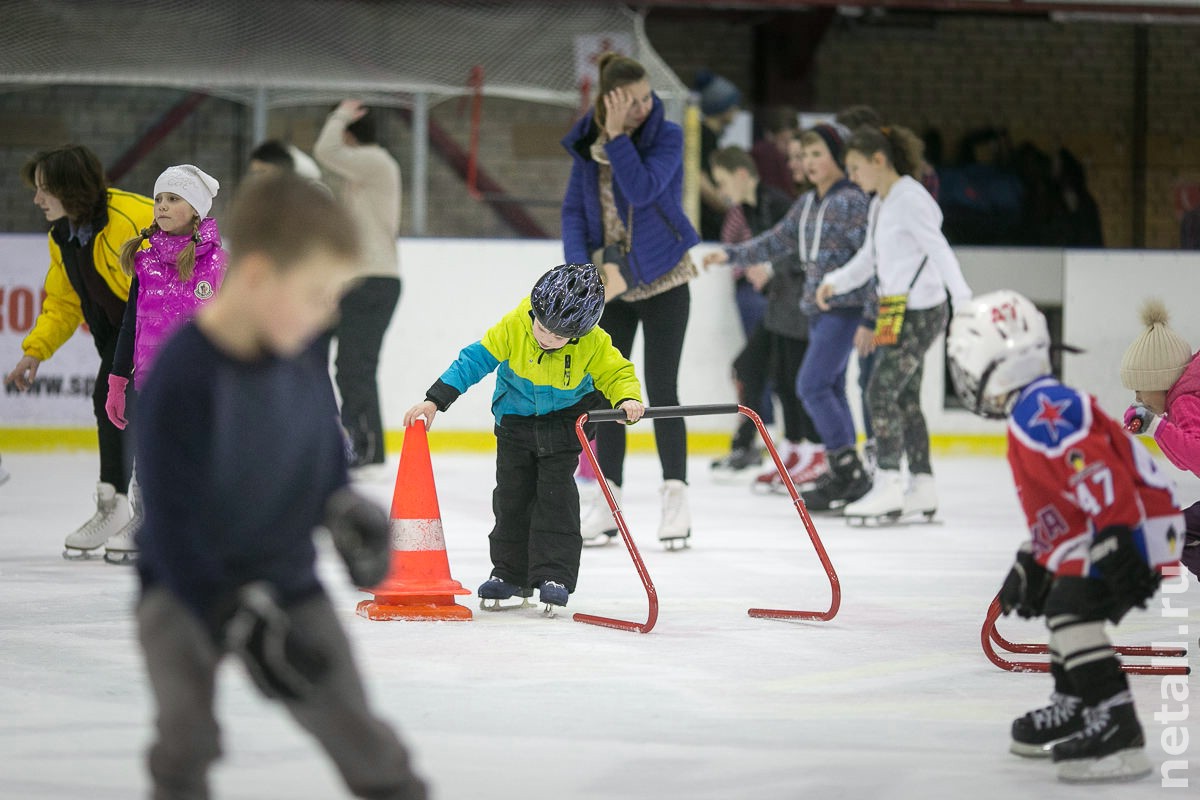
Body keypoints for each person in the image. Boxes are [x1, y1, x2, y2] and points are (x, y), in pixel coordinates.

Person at [134, 171, 427, 800]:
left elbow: (321, 463)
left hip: (286, 578)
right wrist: (233, 618)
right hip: (186, 589)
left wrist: (343, 508)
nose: (331, 312)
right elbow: (171, 525)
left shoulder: (298, 364)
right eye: (320, 293)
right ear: (260, 276)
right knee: (185, 740)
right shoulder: (182, 378)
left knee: (356, 726)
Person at [947, 290, 1183, 783]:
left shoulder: (1041, 408)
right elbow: (1067, 503)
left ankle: (1119, 729)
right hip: (1123, 522)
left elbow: (1099, 474)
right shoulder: (1038, 403)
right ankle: (1076, 702)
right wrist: (1034, 559)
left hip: (1132, 525)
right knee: (1061, 596)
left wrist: (1117, 539)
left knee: (1069, 608)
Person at [403, 263, 643, 609]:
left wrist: (628, 398)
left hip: (565, 424)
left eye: (559, 337)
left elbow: (617, 372)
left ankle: (554, 574)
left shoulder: (594, 343)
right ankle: (509, 574)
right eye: (543, 328)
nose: (547, 338)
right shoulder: (515, 326)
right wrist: (435, 400)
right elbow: (474, 361)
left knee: (555, 500)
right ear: (534, 310)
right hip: (515, 421)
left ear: (581, 332)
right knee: (511, 499)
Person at [561, 53, 701, 547]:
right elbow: (575, 213)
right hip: (612, 282)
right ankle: (607, 500)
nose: (645, 106)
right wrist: (584, 271)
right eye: (632, 100)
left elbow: (642, 190)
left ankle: (675, 498)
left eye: (646, 97)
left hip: (663, 277)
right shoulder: (586, 141)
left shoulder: (666, 136)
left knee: (662, 389)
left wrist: (620, 137)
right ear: (609, 99)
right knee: (608, 393)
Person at [816, 125, 972, 520]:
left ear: (878, 160)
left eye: (855, 167)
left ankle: (887, 482)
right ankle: (922, 485)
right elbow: (871, 257)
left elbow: (940, 250)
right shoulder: (881, 202)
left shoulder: (910, 200)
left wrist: (964, 301)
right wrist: (835, 282)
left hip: (921, 312)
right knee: (902, 398)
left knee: (879, 392)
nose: (851, 176)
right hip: (893, 310)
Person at [706, 124, 871, 499]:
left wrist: (870, 316)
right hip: (816, 309)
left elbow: (871, 258)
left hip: (844, 308)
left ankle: (845, 466)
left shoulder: (851, 201)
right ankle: (844, 469)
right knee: (825, 387)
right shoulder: (809, 203)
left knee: (810, 385)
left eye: (818, 155)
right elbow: (777, 241)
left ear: (839, 157)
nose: (810, 163)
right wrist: (731, 254)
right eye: (806, 155)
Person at [5, 145, 154, 556]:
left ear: (69, 188)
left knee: (125, 401)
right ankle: (118, 505)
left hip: (158, 330)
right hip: (120, 335)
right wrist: (35, 352)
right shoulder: (64, 235)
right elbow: (64, 303)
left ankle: (147, 513)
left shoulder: (131, 219)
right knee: (113, 402)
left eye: (44, 190)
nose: (37, 200)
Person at [100, 165, 227, 564]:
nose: (162, 206)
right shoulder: (145, 262)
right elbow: (130, 324)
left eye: (173, 199)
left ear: (196, 209)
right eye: (159, 199)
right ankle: (145, 520)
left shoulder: (219, 264)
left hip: (203, 382)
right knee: (150, 456)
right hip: (151, 380)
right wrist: (117, 381)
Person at [314, 99, 402, 470]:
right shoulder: (365, 176)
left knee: (354, 366)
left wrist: (341, 114)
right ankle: (362, 446)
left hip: (373, 281)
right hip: (363, 282)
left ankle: (364, 448)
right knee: (346, 364)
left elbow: (324, 150)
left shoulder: (375, 161)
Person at [706, 146, 798, 482]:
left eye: (722, 181)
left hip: (793, 308)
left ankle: (797, 450)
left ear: (742, 174)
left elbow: (795, 248)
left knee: (783, 377)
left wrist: (771, 269)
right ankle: (762, 446)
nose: (721, 191)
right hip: (778, 304)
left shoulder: (776, 203)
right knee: (751, 369)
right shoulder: (749, 207)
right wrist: (733, 257)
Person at [1118, 299, 1200, 578]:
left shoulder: (1184, 401)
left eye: (1140, 391)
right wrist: (1156, 428)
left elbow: (1196, 456)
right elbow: (1185, 458)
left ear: (1160, 381)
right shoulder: (1188, 392)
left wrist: (1155, 426)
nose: (1137, 399)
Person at [694, 69, 742, 241]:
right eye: (734, 104)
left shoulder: (710, 135)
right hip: (705, 221)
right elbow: (699, 178)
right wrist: (725, 207)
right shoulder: (704, 135)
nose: (737, 109)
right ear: (722, 107)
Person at [750, 105, 799, 198]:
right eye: (784, 141)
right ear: (770, 136)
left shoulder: (796, 159)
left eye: (791, 141)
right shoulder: (766, 154)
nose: (788, 147)